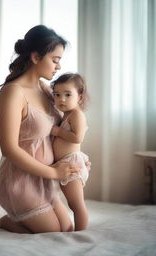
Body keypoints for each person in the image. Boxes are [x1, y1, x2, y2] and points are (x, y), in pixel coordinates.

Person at [0, 25, 81, 234]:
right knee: (52, 233)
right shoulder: (13, 93)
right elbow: (9, 149)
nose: (58, 66)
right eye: (55, 59)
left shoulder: (44, 89)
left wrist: (74, 158)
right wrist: (53, 172)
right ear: (35, 57)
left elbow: (60, 128)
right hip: (20, 181)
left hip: (45, 180)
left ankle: (24, 218)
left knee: (66, 228)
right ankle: (8, 220)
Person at [50, 73, 90, 231]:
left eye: (68, 94)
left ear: (80, 97)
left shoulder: (77, 115)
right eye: (57, 95)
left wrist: (57, 131)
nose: (62, 99)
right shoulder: (66, 114)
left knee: (76, 204)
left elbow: (77, 138)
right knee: (67, 201)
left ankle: (81, 233)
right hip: (64, 163)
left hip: (71, 164)